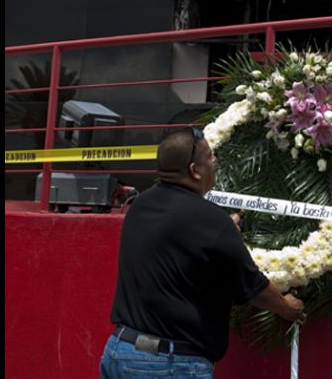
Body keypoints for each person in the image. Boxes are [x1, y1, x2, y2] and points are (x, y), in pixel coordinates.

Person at [100, 127, 305, 379]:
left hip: (119, 352)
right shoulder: (211, 221)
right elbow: (252, 287)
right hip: (168, 365)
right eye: (209, 156)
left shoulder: (140, 205)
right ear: (195, 170)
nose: (215, 160)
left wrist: (222, 231)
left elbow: (179, 241)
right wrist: (286, 307)